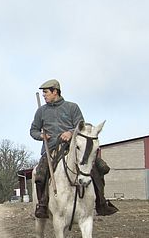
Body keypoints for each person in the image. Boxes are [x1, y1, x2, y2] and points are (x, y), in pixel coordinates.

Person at [30, 79, 118, 219]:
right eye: (43, 93)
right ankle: (42, 205)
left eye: (46, 92)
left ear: (55, 91)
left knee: (99, 168)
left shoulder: (72, 107)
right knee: (40, 174)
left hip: (73, 148)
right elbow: (33, 130)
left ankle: (101, 203)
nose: (44, 95)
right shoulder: (41, 111)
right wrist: (41, 135)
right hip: (51, 149)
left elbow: (81, 127)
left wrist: (71, 132)